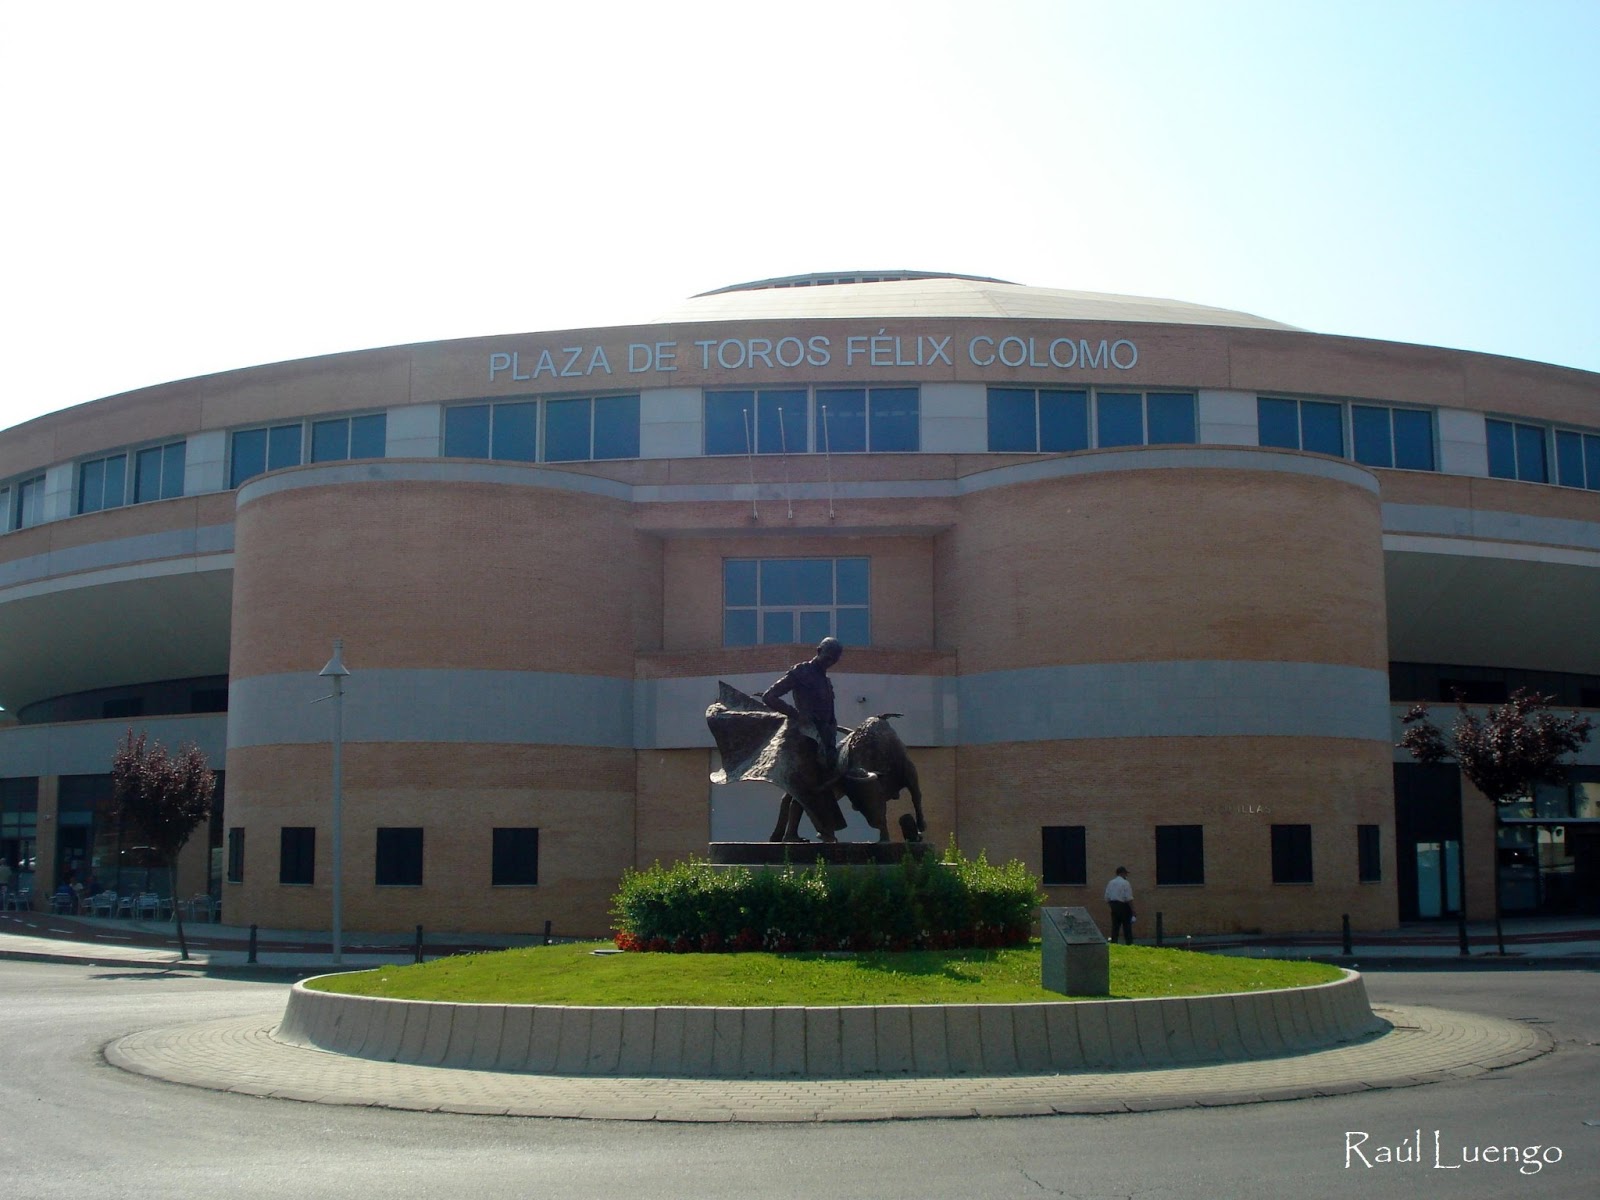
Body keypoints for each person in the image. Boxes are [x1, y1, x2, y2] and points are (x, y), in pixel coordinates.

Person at [761, 636, 844, 777]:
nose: (829, 662)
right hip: (808, 738)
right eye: (827, 658)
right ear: (818, 651)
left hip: (828, 739)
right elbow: (769, 696)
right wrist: (797, 715)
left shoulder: (826, 681)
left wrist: (832, 727)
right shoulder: (802, 672)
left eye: (834, 660)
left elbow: (830, 712)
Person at [1104, 866, 1135, 945]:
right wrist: (1133, 910)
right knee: (1127, 926)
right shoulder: (1125, 883)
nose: (1126, 875)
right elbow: (1129, 898)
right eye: (1125, 874)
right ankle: (1129, 944)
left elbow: (1107, 897)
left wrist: (1112, 906)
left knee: (1115, 926)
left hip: (1113, 906)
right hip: (1124, 906)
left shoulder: (1110, 882)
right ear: (1122, 873)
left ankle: (1114, 943)